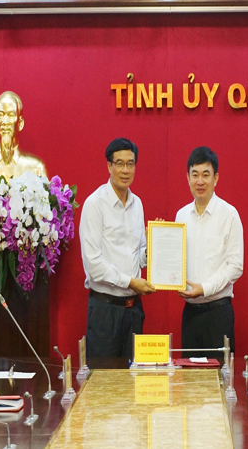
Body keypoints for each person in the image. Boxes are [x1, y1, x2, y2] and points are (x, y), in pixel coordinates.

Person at [79, 137, 156, 358]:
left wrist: (153, 250)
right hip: (105, 311)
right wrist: (131, 282)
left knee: (134, 376)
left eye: (130, 164)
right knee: (104, 377)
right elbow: (93, 265)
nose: (125, 170)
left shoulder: (137, 204)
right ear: (109, 166)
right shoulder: (95, 204)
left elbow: (137, 257)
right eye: (119, 163)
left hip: (134, 311)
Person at [175, 146, 243, 358]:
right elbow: (174, 260)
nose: (200, 181)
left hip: (218, 314)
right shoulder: (181, 216)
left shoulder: (229, 214)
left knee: (220, 375)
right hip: (190, 314)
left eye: (206, 174)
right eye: (195, 174)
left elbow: (236, 266)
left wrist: (204, 289)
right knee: (189, 375)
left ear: (216, 178)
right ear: (187, 178)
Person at [0, 91, 47, 178]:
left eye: (11, 115)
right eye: (1, 115)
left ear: (20, 123)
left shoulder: (36, 167)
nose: (5, 122)